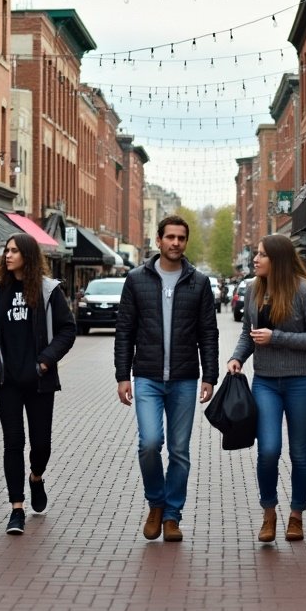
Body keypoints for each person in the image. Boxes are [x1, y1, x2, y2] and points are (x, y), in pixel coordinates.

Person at [114, 215, 219, 543]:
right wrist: (122, 376)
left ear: (186, 242)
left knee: (179, 451)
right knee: (149, 444)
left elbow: (208, 333)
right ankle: (155, 503)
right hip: (146, 376)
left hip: (185, 379)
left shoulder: (199, 283)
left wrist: (209, 376)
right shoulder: (136, 279)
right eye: (170, 237)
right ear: (158, 240)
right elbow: (125, 331)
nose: (175, 243)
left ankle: (172, 515)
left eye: (181, 238)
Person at [226, 234, 306, 543]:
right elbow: (248, 332)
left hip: (301, 382)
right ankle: (268, 511)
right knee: (268, 449)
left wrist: (277, 337)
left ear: (278, 259)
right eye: (256, 254)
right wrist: (237, 357)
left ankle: (296, 515)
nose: (255, 259)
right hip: (266, 382)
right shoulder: (256, 289)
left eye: (261, 255)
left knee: (299, 451)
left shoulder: (305, 291)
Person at [0, 232, 77, 535]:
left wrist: (45, 361)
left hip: (39, 380)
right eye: (6, 251)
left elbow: (67, 330)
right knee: (13, 441)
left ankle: (36, 477)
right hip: (6, 380)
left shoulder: (48, 291)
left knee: (41, 443)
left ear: (28, 256)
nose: (8, 256)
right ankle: (16, 509)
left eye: (14, 251)